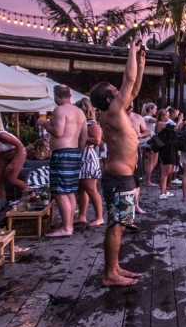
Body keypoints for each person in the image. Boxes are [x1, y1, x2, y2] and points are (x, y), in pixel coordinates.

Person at [87, 41, 146, 287]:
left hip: (123, 177)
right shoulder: (112, 111)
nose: (119, 90)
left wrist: (141, 63)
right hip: (119, 178)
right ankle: (109, 274)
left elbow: (134, 88)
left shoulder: (116, 110)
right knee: (116, 225)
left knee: (120, 225)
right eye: (115, 89)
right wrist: (130, 52)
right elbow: (129, 81)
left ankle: (114, 267)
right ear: (109, 97)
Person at [38, 85, 86, 237]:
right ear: (70, 95)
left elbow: (58, 133)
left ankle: (67, 228)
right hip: (74, 152)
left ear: (56, 96)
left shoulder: (60, 110)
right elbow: (84, 136)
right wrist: (79, 152)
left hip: (62, 153)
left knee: (59, 192)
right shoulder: (79, 112)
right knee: (69, 191)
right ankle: (68, 223)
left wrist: (44, 124)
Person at [75, 99, 104, 227]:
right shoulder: (82, 123)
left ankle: (99, 217)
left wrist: (82, 137)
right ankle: (82, 216)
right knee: (81, 189)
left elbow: (97, 140)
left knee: (91, 189)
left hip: (88, 158)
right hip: (81, 157)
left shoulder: (92, 124)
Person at [155, 108, 179, 199]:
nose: (168, 118)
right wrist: (180, 119)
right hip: (166, 149)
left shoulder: (165, 123)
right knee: (165, 171)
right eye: (167, 116)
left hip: (170, 147)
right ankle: (162, 192)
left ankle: (164, 190)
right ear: (162, 116)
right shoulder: (160, 123)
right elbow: (175, 127)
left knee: (169, 170)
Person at [140, 103, 159, 186]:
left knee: (153, 161)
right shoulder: (147, 117)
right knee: (150, 161)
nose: (156, 111)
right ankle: (147, 180)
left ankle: (146, 177)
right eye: (155, 109)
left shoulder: (149, 118)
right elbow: (158, 120)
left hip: (151, 140)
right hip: (148, 140)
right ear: (150, 109)